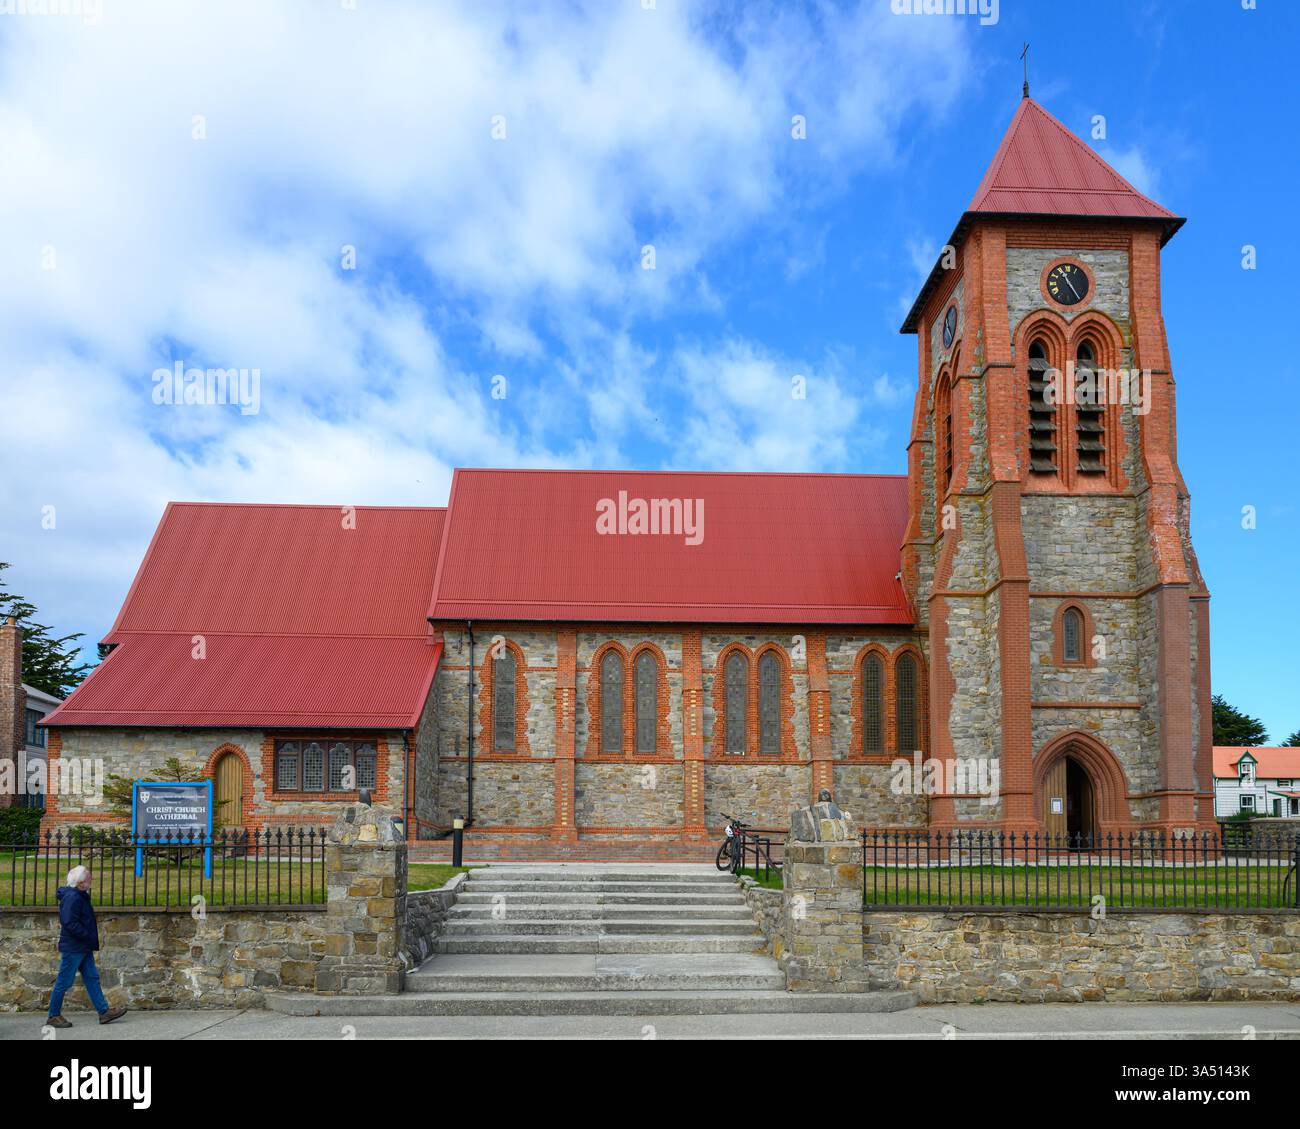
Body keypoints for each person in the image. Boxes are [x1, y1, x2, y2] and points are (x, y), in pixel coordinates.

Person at [45, 865, 127, 1028]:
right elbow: (69, 922)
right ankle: (53, 1016)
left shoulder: (78, 895)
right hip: (74, 947)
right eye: (89, 878)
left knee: (92, 978)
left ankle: (104, 1012)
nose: (92, 880)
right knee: (64, 981)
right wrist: (86, 935)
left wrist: (87, 938)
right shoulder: (73, 897)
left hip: (82, 946)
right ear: (81, 882)